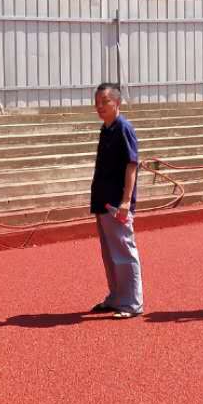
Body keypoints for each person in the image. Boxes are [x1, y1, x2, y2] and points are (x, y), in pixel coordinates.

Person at [89, 83, 144, 319]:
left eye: (105, 102)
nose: (100, 107)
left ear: (117, 103)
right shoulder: (106, 129)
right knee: (110, 254)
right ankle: (116, 296)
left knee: (124, 251)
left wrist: (126, 201)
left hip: (116, 201)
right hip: (102, 200)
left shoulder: (123, 128)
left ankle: (132, 302)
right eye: (97, 103)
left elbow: (132, 165)